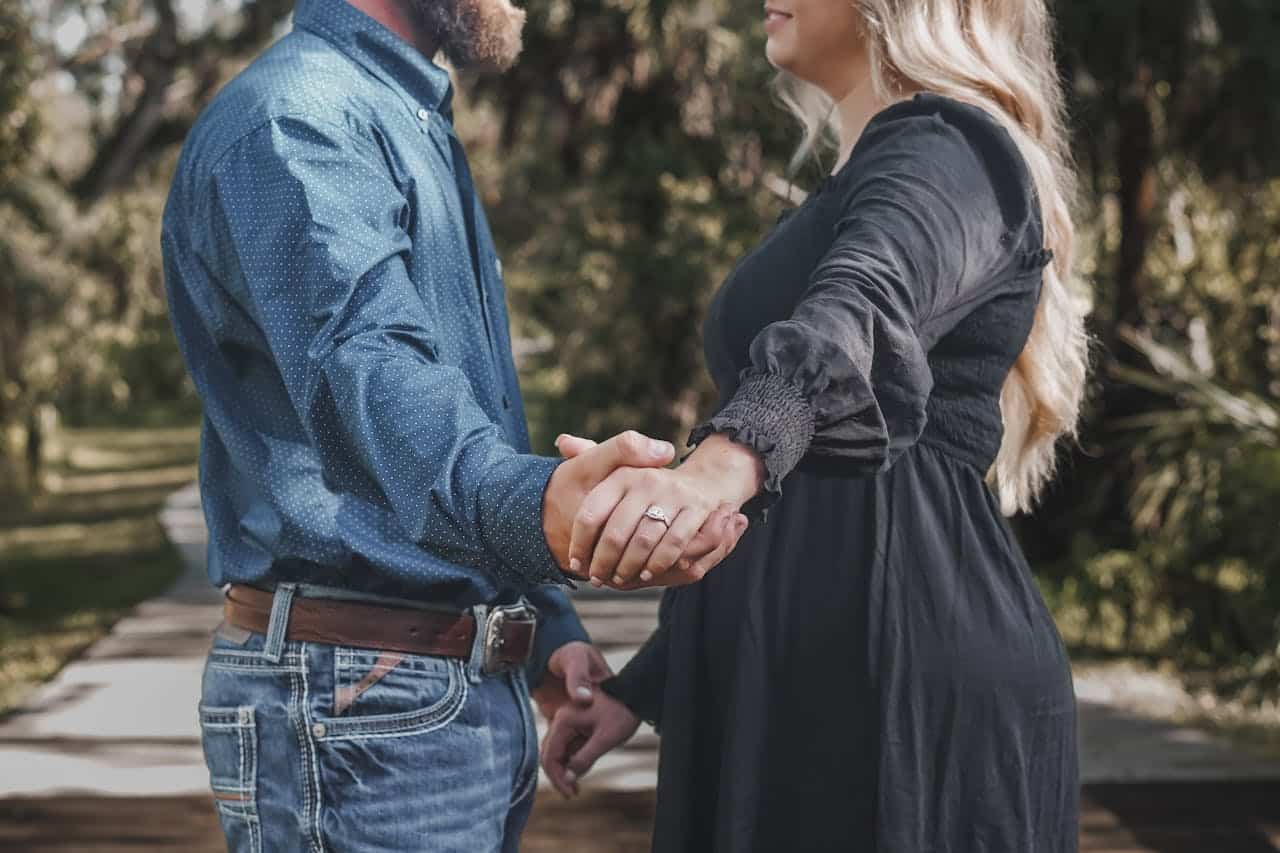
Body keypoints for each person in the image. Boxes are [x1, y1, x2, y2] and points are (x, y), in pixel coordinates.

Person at [159, 0, 747, 848]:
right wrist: (546, 510)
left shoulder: (396, 113)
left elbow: (465, 408)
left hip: (420, 697)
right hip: (361, 703)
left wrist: (541, 630)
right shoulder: (297, 124)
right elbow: (378, 381)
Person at [542, 0, 1089, 850]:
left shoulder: (951, 147)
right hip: (811, 677)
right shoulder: (864, 179)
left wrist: (721, 462)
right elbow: (785, 505)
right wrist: (644, 685)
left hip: (897, 680)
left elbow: (861, 310)